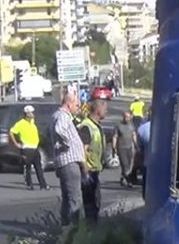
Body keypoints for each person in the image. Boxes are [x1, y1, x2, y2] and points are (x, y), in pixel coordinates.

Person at [52, 91, 86, 225]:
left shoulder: (59, 115)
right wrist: (68, 143)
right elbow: (59, 130)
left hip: (65, 161)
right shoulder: (63, 116)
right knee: (75, 198)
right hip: (69, 161)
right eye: (77, 105)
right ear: (69, 104)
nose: (78, 108)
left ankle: (66, 228)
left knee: (67, 198)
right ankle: (75, 230)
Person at [76, 97, 107, 223]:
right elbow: (83, 149)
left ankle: (93, 226)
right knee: (90, 203)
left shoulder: (96, 126)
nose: (107, 112)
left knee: (96, 202)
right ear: (98, 110)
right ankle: (89, 229)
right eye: (105, 109)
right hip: (88, 171)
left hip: (95, 170)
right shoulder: (86, 127)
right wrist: (85, 170)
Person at [9, 105, 49, 190]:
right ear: (27, 114)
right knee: (27, 168)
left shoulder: (32, 123)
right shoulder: (21, 123)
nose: (33, 114)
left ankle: (43, 185)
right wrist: (16, 144)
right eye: (32, 112)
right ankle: (29, 184)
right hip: (26, 149)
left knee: (39, 167)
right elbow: (11, 132)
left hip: (35, 148)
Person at [111, 110, 137, 187]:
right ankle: (129, 181)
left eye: (128, 117)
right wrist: (114, 147)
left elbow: (134, 135)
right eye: (125, 117)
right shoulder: (118, 125)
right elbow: (115, 137)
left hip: (129, 147)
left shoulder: (131, 125)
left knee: (129, 165)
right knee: (125, 164)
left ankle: (123, 177)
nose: (127, 118)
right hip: (121, 148)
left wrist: (136, 145)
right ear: (123, 117)